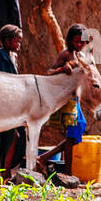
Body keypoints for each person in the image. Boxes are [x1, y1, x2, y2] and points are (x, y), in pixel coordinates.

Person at [39, 23, 91, 173]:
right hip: (65, 99)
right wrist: (62, 69)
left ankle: (44, 158)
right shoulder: (65, 54)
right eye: (76, 41)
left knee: (76, 132)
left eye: (82, 42)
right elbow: (49, 72)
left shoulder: (82, 55)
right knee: (74, 132)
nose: (79, 44)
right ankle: (68, 172)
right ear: (70, 41)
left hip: (75, 99)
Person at [0, 24, 26, 173]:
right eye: (17, 41)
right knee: (9, 138)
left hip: (14, 105)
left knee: (18, 137)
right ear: (7, 41)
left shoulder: (12, 56)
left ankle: (7, 171)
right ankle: (5, 173)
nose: (19, 44)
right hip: (3, 105)